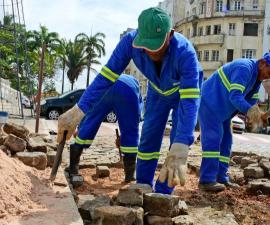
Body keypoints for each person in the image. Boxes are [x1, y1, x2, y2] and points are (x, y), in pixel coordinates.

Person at [57, 7, 203, 194]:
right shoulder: (129, 43)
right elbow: (106, 78)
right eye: (146, 46)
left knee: (177, 144)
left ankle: (163, 195)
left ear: (170, 35)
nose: (151, 53)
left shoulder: (186, 54)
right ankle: (143, 184)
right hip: (157, 91)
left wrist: (183, 143)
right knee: (149, 135)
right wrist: (78, 110)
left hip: (183, 92)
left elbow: (190, 102)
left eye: (156, 46)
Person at [198, 53, 270, 192]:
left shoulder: (257, 79)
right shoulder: (244, 68)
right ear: (262, 63)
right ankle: (207, 180)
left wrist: (261, 115)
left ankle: (220, 177)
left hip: (222, 111)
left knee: (226, 142)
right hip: (209, 104)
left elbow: (251, 101)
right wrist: (250, 111)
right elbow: (235, 96)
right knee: (213, 140)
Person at [66, 74, 142, 187]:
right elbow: (134, 119)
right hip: (127, 90)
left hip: (105, 86)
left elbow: (89, 110)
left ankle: (73, 170)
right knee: (131, 134)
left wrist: (81, 129)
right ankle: (130, 176)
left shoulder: (105, 77)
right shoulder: (135, 85)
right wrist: (124, 138)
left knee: (91, 120)